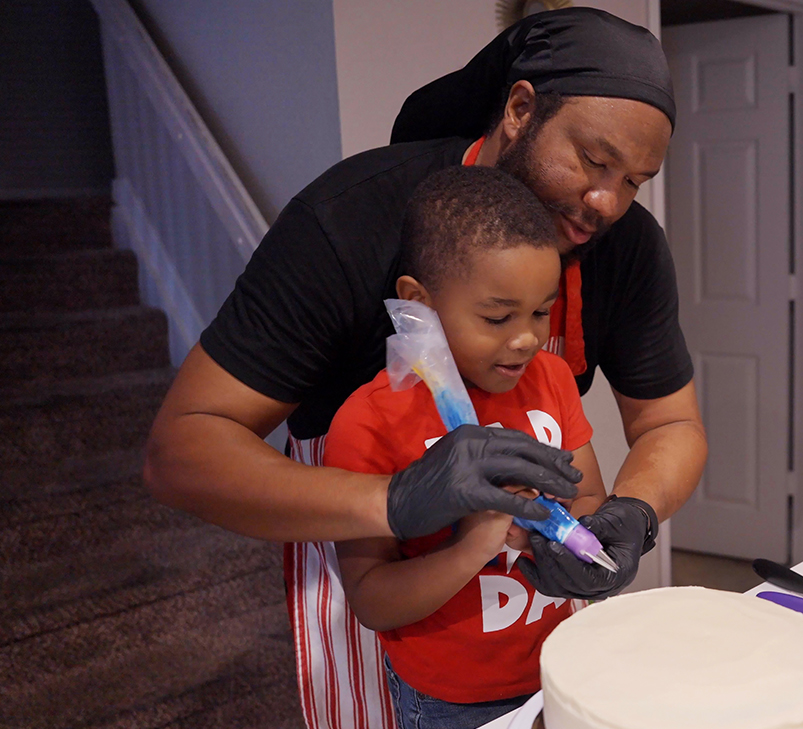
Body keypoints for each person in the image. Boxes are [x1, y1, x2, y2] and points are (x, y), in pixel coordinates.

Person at [144, 8, 707, 729]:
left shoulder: (624, 245)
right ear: (520, 107)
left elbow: (670, 422)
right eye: (594, 161)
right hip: (366, 547)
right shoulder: (349, 221)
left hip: (528, 608)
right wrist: (395, 501)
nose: (608, 202)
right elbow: (180, 452)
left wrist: (634, 511)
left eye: (635, 180)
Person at [326, 166, 604, 728]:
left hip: (562, 666)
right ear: (418, 302)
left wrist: (577, 539)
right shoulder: (369, 421)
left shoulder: (550, 379)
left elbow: (590, 494)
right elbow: (372, 598)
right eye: (498, 316)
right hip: (452, 700)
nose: (525, 337)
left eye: (540, 311)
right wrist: (471, 546)